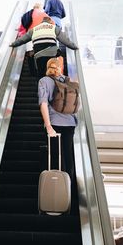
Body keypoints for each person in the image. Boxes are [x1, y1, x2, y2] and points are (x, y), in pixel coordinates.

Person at [38, 57, 78, 214]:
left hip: (55, 124)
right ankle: (69, 193)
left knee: (55, 157)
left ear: (48, 67)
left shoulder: (44, 81)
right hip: (70, 123)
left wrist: (48, 126)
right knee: (68, 157)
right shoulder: (66, 80)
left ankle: (56, 195)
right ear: (60, 67)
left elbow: (43, 103)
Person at [10, 16, 78, 78]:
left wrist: (13, 44)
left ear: (42, 22)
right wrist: (75, 47)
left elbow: (22, 39)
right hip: (51, 54)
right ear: (50, 22)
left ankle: (42, 86)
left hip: (39, 55)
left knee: (41, 74)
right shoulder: (54, 28)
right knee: (52, 71)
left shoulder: (34, 29)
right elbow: (65, 41)